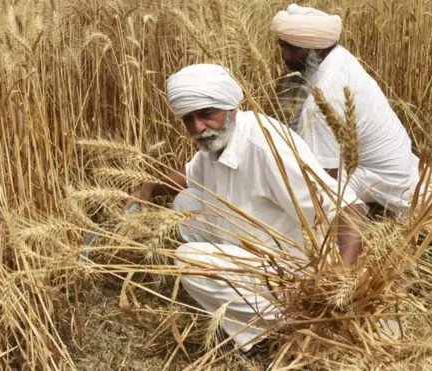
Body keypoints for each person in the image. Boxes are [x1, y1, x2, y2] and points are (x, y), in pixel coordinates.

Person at [127, 63, 367, 351]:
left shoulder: (267, 148)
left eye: (205, 115)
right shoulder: (219, 139)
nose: (197, 128)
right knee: (186, 204)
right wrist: (150, 188)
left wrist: (341, 276)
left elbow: (348, 207)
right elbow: (191, 175)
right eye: (187, 119)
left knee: (188, 260)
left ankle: (283, 324)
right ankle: (246, 295)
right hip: (254, 241)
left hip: (296, 265)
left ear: (230, 108)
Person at [271, 4, 432, 218]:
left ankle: (356, 215)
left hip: (388, 184)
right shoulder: (338, 57)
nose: (285, 56)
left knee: (289, 185)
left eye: (293, 49)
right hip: (398, 166)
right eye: (282, 46)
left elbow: (324, 175)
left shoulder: (324, 98)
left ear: (317, 49)